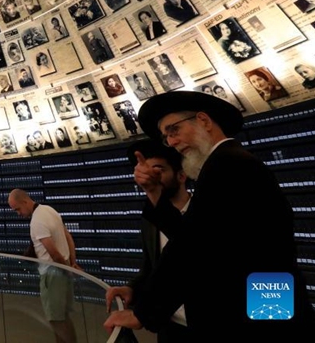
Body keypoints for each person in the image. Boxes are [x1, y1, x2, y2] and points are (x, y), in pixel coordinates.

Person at [105, 91, 315, 339]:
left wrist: (143, 313)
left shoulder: (227, 165)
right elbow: (200, 237)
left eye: (173, 130)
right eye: (166, 137)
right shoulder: (230, 163)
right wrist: (154, 192)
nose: (171, 142)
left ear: (203, 120)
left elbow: (192, 247)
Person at [106, 140, 191, 343]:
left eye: (158, 170)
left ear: (181, 175)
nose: (150, 176)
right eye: (146, 170)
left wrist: (142, 314)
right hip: (169, 326)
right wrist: (132, 289)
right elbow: (152, 268)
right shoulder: (150, 221)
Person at [8, 189, 78, 343]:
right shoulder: (50, 210)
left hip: (53, 275)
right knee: (63, 318)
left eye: (17, 209)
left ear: (25, 201)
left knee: (56, 321)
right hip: (63, 270)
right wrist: (72, 263)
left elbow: (53, 253)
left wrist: (66, 268)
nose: (18, 214)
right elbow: (68, 237)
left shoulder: (37, 222)